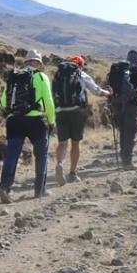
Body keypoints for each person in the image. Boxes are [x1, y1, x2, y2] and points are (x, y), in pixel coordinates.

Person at [0, 51, 56, 202]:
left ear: (26, 62)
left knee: (12, 155)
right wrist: (51, 121)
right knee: (41, 154)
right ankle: (39, 189)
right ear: (38, 64)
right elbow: (48, 101)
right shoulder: (41, 77)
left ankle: (4, 187)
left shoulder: (13, 77)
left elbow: (4, 102)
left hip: (14, 120)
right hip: (36, 120)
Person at [52, 55, 110, 185]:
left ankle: (60, 163)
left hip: (60, 111)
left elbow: (53, 94)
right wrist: (108, 93)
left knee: (62, 142)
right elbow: (97, 91)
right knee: (75, 143)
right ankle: (72, 173)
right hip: (77, 111)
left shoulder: (58, 75)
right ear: (81, 65)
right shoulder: (82, 75)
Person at [111, 50, 137, 170]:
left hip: (116, 103)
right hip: (131, 104)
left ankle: (124, 158)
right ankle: (127, 162)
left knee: (123, 130)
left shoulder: (118, 69)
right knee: (130, 131)